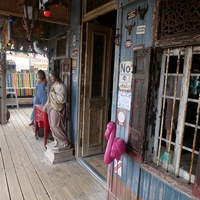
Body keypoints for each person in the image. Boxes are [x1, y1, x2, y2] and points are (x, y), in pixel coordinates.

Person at [44, 70, 70, 150]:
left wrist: (54, 94)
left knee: (56, 125)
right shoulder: (53, 85)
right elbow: (49, 96)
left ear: (56, 76)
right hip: (51, 107)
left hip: (58, 108)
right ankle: (57, 140)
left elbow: (62, 99)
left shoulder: (62, 86)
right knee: (52, 126)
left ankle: (64, 140)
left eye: (52, 76)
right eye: (50, 76)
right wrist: (46, 105)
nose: (51, 78)